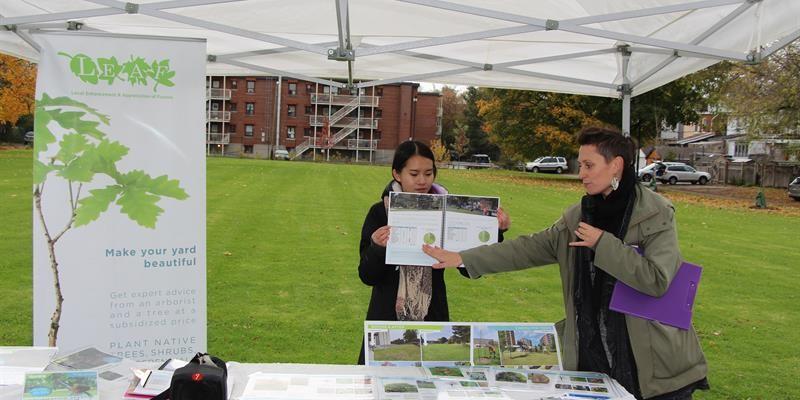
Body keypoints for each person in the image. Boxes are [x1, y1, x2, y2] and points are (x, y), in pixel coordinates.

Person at [422, 127, 708, 399]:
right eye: (580, 165)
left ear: (616, 165)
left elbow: (656, 280)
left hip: (653, 367)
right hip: (593, 358)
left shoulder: (655, 213)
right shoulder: (578, 216)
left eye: (588, 165)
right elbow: (528, 249)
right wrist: (462, 258)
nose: (580, 174)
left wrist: (603, 244)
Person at [357, 140, 510, 364]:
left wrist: (496, 232)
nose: (422, 181)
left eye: (428, 173)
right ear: (397, 174)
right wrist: (377, 247)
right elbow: (367, 275)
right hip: (386, 314)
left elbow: (469, 270)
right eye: (414, 173)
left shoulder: (449, 212)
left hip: (432, 313)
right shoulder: (380, 213)